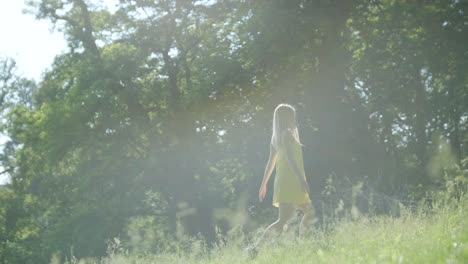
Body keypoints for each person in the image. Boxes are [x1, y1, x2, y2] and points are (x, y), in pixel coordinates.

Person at [251, 103, 315, 253]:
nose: (295, 118)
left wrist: (264, 184)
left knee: (309, 212)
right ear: (286, 118)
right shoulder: (286, 134)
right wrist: (302, 179)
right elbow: (290, 159)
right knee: (282, 221)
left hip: (288, 179)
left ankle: (302, 245)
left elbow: (270, 163)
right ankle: (255, 249)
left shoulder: (281, 135)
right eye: (292, 115)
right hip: (289, 180)